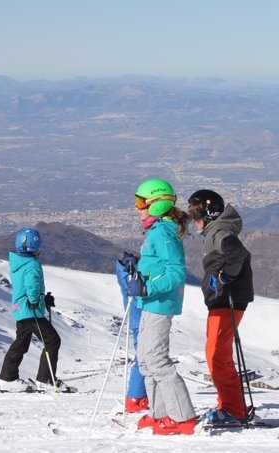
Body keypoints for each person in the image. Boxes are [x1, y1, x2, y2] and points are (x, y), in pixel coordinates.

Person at [116, 178, 197, 435]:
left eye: (141, 202)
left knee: (156, 360)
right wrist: (138, 270)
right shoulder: (157, 230)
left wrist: (147, 287)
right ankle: (159, 412)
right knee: (146, 360)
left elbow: (176, 271)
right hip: (150, 301)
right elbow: (159, 265)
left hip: (160, 303)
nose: (137, 207)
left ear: (157, 204)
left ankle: (182, 417)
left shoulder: (163, 231)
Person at [187, 189, 254, 425]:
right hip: (224, 299)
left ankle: (233, 410)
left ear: (208, 212)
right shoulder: (215, 230)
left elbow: (237, 253)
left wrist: (226, 277)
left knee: (216, 355)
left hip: (228, 299)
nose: (192, 219)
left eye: (195, 212)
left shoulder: (218, 230)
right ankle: (228, 404)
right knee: (216, 353)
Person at [0, 228, 75, 393]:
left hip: (20, 309)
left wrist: (43, 299)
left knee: (21, 342)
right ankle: (46, 380)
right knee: (52, 341)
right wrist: (35, 300)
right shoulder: (32, 265)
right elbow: (31, 284)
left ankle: (7, 378)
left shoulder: (18, 263)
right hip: (30, 309)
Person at [115, 252, 149, 413]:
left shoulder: (126, 272)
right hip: (140, 318)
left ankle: (138, 396)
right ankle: (136, 398)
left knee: (143, 355)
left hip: (137, 319)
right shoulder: (130, 274)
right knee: (144, 356)